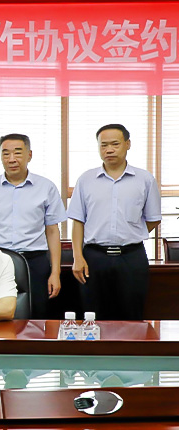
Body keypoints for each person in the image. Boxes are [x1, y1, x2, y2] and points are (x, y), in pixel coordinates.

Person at [68, 123, 161, 320]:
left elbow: (153, 219)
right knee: (93, 315)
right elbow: (78, 221)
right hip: (94, 257)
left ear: (128, 144)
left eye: (115, 144)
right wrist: (77, 256)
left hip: (131, 256)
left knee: (131, 316)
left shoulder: (144, 179)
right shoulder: (86, 180)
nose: (109, 150)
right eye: (103, 145)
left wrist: (131, 232)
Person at [0, 133, 67, 319]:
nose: (11, 159)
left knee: (37, 313)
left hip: (35, 261)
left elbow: (52, 231)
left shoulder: (46, 187)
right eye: (5, 154)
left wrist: (55, 272)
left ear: (29, 155)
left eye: (17, 153)